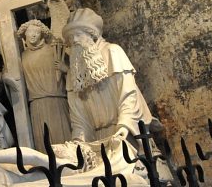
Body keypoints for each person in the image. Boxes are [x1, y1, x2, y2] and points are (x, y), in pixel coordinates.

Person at [61, 8, 161, 145]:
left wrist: (125, 125)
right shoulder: (74, 71)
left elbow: (129, 95)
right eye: (70, 37)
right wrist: (79, 141)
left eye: (78, 34)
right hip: (97, 139)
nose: (74, 40)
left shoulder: (112, 52)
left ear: (91, 34)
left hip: (125, 133)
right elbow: (79, 117)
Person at [17, 20, 72, 152]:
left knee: (63, 139)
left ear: (42, 34)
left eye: (37, 32)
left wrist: (66, 70)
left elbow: (76, 75)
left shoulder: (54, 50)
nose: (33, 35)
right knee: (42, 142)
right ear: (25, 34)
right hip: (36, 105)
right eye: (30, 31)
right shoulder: (22, 57)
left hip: (56, 102)